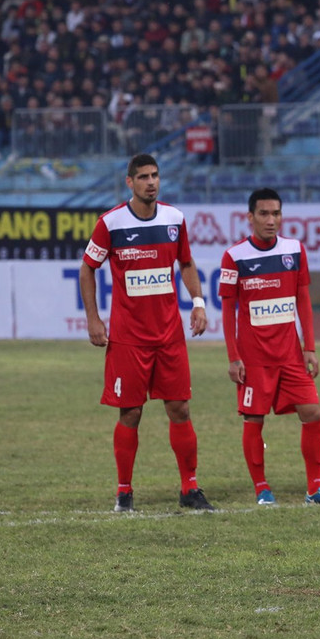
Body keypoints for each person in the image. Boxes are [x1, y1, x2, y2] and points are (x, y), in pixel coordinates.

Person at [80, 153, 213, 512]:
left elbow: (185, 262)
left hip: (169, 335)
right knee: (130, 413)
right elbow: (87, 269)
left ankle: (190, 488)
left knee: (180, 408)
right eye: (143, 177)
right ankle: (124, 492)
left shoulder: (175, 219)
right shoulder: (110, 223)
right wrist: (93, 319)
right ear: (130, 182)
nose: (151, 182)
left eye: (155, 176)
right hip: (128, 337)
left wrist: (198, 302)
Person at [219, 188, 320, 506]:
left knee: (313, 411)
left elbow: (302, 299)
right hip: (254, 357)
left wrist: (310, 347)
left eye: (276, 213)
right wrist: (234, 357)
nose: (271, 220)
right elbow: (228, 310)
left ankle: (315, 488)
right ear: (250, 217)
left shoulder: (294, 250)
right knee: (254, 419)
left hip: (290, 354)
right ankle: (262, 489)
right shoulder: (235, 257)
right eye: (264, 213)